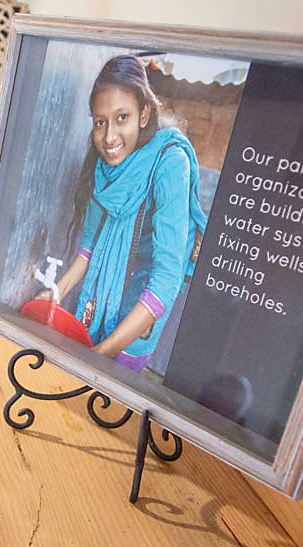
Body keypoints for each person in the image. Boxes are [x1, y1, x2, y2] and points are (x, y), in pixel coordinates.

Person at [38, 55, 207, 372]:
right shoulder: (104, 166)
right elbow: (88, 246)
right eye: (100, 122)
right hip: (98, 303)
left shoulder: (170, 163)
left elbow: (165, 281)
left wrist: (101, 354)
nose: (109, 137)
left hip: (139, 312)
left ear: (144, 114)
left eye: (121, 118)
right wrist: (56, 292)